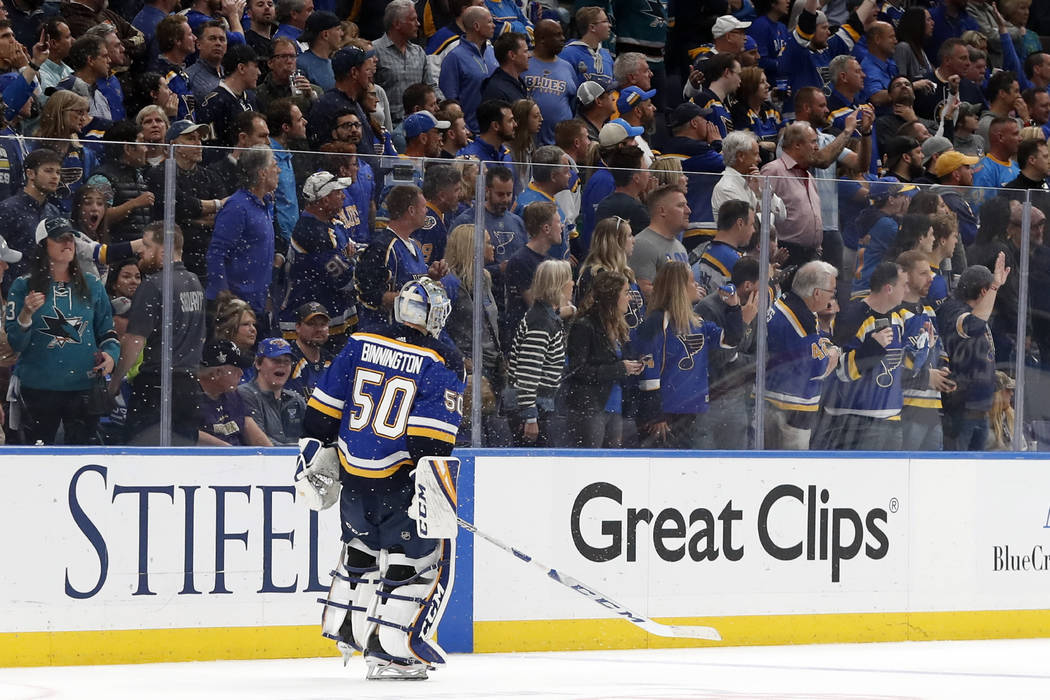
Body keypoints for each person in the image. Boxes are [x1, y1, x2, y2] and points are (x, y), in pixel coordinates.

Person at [299, 275, 464, 680]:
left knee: (362, 553)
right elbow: (431, 442)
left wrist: (318, 453)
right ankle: (393, 652)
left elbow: (320, 414)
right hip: (401, 482)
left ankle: (350, 630)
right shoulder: (440, 358)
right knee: (415, 562)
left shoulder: (359, 341)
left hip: (354, 476)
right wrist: (433, 491)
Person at [4, 216, 119, 445]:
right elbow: (16, 344)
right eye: (59, 238)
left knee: (82, 454)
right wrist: (26, 314)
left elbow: (107, 332)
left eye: (70, 238)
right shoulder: (23, 286)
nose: (68, 243)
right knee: (37, 459)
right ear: (43, 245)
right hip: (37, 389)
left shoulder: (92, 285)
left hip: (83, 389)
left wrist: (111, 356)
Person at [111, 221, 206, 445]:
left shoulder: (154, 285)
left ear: (162, 251)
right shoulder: (194, 282)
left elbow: (135, 341)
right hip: (189, 386)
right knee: (182, 458)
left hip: (157, 386)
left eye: (146, 245)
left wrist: (114, 383)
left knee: (142, 458)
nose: (140, 250)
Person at [635, 260, 744, 450]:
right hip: (666, 415)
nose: (697, 286)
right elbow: (648, 371)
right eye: (692, 282)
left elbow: (732, 339)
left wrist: (734, 307)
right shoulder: (657, 322)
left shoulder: (698, 322)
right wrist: (655, 414)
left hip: (697, 411)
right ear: (679, 288)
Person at [812, 261, 906, 451]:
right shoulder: (852, 317)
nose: (907, 289)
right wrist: (872, 349)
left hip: (892, 418)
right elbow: (835, 369)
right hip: (855, 421)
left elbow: (898, 366)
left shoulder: (898, 318)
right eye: (904, 285)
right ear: (889, 288)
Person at [764, 260, 840, 449]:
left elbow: (818, 340)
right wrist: (833, 353)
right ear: (817, 293)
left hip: (774, 402)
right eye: (832, 292)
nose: (833, 297)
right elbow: (819, 367)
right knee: (792, 471)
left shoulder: (788, 303)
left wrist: (827, 345)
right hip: (790, 411)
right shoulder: (801, 320)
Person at [564, 269, 643, 448]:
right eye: (625, 293)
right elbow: (577, 370)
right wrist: (619, 369)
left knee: (610, 465)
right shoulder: (584, 326)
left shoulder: (618, 326)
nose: (629, 298)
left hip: (614, 404)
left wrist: (632, 365)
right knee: (590, 464)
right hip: (590, 406)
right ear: (612, 296)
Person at [937, 255, 1009, 451]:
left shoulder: (972, 312)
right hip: (961, 411)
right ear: (984, 291)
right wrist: (995, 286)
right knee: (956, 472)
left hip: (980, 410)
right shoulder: (953, 310)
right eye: (991, 292)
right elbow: (973, 325)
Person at [205, 145, 279, 329]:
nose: (278, 170)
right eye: (274, 165)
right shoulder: (237, 207)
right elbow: (216, 253)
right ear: (262, 173)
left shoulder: (266, 204)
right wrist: (225, 298)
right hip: (237, 308)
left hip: (258, 303)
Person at [279, 170, 357, 342]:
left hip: (332, 315)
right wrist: (353, 263)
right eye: (338, 192)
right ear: (325, 199)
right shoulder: (312, 232)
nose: (343, 196)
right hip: (309, 322)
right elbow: (345, 280)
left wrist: (350, 261)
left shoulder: (333, 223)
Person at [355, 184, 446, 331]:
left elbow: (412, 283)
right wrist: (416, 298)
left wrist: (430, 280)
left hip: (410, 332)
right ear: (411, 210)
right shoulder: (381, 247)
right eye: (423, 207)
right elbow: (368, 294)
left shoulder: (414, 245)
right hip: (384, 336)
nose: (427, 211)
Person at [505, 258, 570, 446]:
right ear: (557, 285)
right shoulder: (540, 323)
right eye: (568, 280)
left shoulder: (546, 317)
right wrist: (530, 417)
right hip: (532, 409)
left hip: (536, 406)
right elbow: (527, 372)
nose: (573, 284)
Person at [895, 249, 951, 452]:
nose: (931, 279)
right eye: (923, 274)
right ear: (906, 276)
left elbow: (940, 350)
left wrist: (943, 371)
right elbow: (890, 367)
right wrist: (927, 377)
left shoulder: (929, 311)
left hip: (933, 408)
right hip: (907, 409)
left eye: (931, 273)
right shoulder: (896, 314)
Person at [760, 122, 822, 269]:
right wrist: (771, 253)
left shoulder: (809, 176)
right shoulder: (773, 171)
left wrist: (818, 248)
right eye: (813, 141)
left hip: (811, 256)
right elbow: (761, 214)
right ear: (797, 145)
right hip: (785, 255)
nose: (817, 147)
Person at [0, 148, 63, 289]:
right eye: (48, 171)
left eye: (58, 172)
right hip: (12, 291)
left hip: (45, 292)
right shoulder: (7, 209)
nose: (55, 177)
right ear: (30, 173)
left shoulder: (53, 212)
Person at [576, 216, 645, 337]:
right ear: (616, 241)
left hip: (635, 348)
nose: (633, 240)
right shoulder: (597, 275)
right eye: (629, 236)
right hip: (612, 349)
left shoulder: (627, 274)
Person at [197, 338, 271, 446]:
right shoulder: (188, 398)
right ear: (217, 373)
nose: (241, 373)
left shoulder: (233, 395)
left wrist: (273, 456)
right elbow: (186, 434)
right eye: (236, 368)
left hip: (238, 459)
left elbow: (256, 437)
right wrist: (229, 451)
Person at [372, 1, 436, 125]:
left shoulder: (418, 52)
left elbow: (430, 85)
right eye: (413, 20)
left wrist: (445, 105)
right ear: (397, 24)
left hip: (419, 125)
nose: (418, 24)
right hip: (389, 125)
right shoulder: (374, 51)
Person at [237, 336, 305, 445]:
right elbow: (258, 442)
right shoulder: (244, 394)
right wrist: (295, 452)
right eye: (276, 360)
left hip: (297, 459)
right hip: (263, 460)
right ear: (258, 364)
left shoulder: (296, 400)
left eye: (287, 362)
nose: (282, 365)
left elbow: (312, 435)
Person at [438, 6, 497, 134]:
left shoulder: (492, 52)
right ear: (476, 26)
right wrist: (464, 129)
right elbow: (450, 101)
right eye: (489, 22)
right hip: (471, 133)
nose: (494, 25)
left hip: (495, 131)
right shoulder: (454, 58)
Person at [627, 184, 692, 299]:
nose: (688, 211)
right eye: (681, 206)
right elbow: (643, 293)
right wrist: (686, 295)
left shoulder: (679, 246)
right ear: (662, 211)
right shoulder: (643, 244)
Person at [712, 129, 785, 224]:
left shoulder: (754, 181)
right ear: (741, 156)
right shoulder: (726, 188)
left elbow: (781, 217)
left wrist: (761, 192)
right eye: (756, 154)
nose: (759, 159)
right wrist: (765, 213)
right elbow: (748, 227)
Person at [521, 19, 575, 146]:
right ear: (542, 39)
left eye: (562, 34)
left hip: (559, 145)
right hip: (527, 142)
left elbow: (572, 103)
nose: (563, 38)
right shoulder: (524, 62)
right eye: (557, 35)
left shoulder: (567, 67)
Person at [692, 199, 754, 297]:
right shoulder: (737, 262)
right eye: (751, 225)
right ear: (740, 223)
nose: (753, 230)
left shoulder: (701, 248)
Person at [592, 145, 650, 237]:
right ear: (636, 178)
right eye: (646, 169)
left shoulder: (604, 205)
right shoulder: (637, 211)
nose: (649, 174)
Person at [285, 301, 332, 400]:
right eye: (311, 324)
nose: (319, 329)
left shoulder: (332, 360)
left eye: (323, 324)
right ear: (298, 327)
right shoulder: (286, 359)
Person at [559, 5, 613, 88]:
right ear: (592, 27)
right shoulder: (568, 54)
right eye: (605, 21)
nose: (610, 25)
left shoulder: (607, 56)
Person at [296, 11, 343, 93]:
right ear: (325, 35)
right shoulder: (301, 64)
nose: (342, 34)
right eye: (338, 29)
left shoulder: (334, 63)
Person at [457, 98, 514, 164]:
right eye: (510, 121)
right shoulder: (468, 157)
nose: (515, 124)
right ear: (496, 126)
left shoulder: (506, 155)